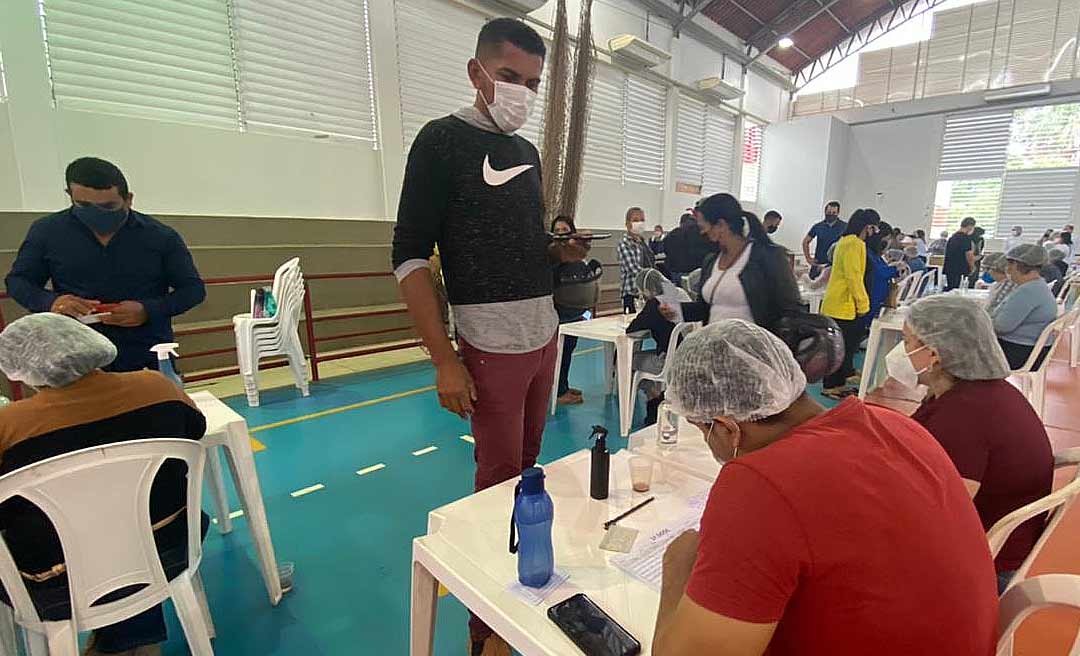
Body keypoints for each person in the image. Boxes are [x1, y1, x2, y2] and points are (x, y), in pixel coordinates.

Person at [388, 19, 577, 654]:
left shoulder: (526, 152)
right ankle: (485, 631)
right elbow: (410, 257)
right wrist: (444, 360)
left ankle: (518, 600)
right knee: (495, 486)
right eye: (509, 78)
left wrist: (556, 252)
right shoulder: (440, 141)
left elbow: (516, 246)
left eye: (532, 83)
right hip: (489, 345)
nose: (520, 92)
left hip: (542, 334)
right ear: (477, 73)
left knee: (527, 477)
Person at [652, 320, 997, 656]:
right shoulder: (894, 424)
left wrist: (677, 565)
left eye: (702, 430)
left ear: (728, 427)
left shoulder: (758, 485)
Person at [0, 313, 207, 656]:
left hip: (54, 583)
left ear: (21, 367)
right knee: (127, 522)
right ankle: (134, 637)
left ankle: (119, 642)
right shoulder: (156, 388)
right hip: (167, 546)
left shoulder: (10, 427)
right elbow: (194, 429)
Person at [897, 295, 1053, 592]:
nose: (901, 352)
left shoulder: (963, 416)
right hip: (1008, 541)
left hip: (985, 561)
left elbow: (940, 510)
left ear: (933, 354)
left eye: (906, 341)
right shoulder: (980, 391)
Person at [5, 157, 206, 373]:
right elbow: (18, 282)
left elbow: (193, 290)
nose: (96, 213)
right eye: (84, 205)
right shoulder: (47, 232)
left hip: (145, 352)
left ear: (128, 199)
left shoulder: (161, 237)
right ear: (69, 196)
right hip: (75, 353)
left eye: (108, 206)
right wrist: (52, 302)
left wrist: (148, 310)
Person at [666, 194, 801, 333]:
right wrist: (676, 310)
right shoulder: (711, 261)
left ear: (721, 225)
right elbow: (704, 309)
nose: (702, 232)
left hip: (754, 348)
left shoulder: (768, 257)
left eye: (704, 227)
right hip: (715, 345)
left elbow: (792, 311)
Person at [820, 209, 880, 399]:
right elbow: (854, 277)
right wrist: (863, 305)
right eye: (874, 228)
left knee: (841, 347)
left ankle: (841, 379)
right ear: (867, 227)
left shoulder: (845, 241)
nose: (875, 233)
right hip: (844, 306)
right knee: (841, 349)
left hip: (837, 304)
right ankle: (831, 386)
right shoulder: (855, 244)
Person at [626, 268, 691, 425]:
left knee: (625, 360)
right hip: (689, 356)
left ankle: (652, 396)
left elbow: (632, 331)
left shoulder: (656, 303)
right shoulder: (679, 293)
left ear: (647, 289)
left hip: (668, 361)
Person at [550, 216, 600, 406]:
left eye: (565, 229)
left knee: (569, 350)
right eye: (558, 230)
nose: (561, 233)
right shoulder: (554, 257)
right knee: (560, 352)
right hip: (559, 313)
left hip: (576, 314)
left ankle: (563, 385)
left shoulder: (576, 254)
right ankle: (559, 391)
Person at [993, 244, 1058, 370]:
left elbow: (1001, 327)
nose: (1008, 270)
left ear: (1017, 266)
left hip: (1019, 352)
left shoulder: (1028, 291)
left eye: (1009, 265)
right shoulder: (1038, 286)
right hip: (1030, 348)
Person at [861, 222, 902, 332]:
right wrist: (894, 269)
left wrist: (895, 270)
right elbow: (880, 272)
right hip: (871, 295)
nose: (887, 243)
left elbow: (883, 269)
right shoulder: (866, 252)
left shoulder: (875, 255)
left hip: (878, 297)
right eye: (886, 240)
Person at [617, 207, 655, 313]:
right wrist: (653, 278)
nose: (640, 223)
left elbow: (651, 263)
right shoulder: (625, 243)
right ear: (628, 224)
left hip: (647, 293)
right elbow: (633, 269)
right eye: (636, 220)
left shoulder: (642, 242)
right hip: (632, 293)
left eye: (642, 220)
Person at [663, 213, 715, 285]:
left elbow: (665, 249)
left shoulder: (672, 234)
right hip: (695, 273)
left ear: (681, 222)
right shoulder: (702, 234)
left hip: (675, 271)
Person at [801, 201, 845, 277]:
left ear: (838, 213)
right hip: (818, 263)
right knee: (812, 287)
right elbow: (805, 241)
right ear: (825, 212)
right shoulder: (818, 226)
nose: (831, 214)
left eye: (834, 212)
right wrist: (808, 258)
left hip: (835, 266)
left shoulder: (844, 227)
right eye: (829, 212)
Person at [942, 217, 977, 291]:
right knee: (957, 290)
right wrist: (972, 267)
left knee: (951, 288)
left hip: (950, 267)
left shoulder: (952, 237)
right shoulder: (965, 239)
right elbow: (969, 255)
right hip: (960, 269)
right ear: (970, 226)